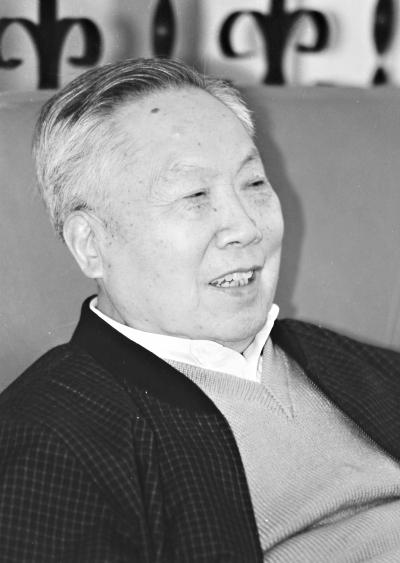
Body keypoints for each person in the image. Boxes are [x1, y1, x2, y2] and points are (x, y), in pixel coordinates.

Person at [0, 57, 399, 563]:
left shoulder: (342, 362)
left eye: (253, 184)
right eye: (194, 195)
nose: (246, 227)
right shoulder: (51, 441)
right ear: (91, 244)